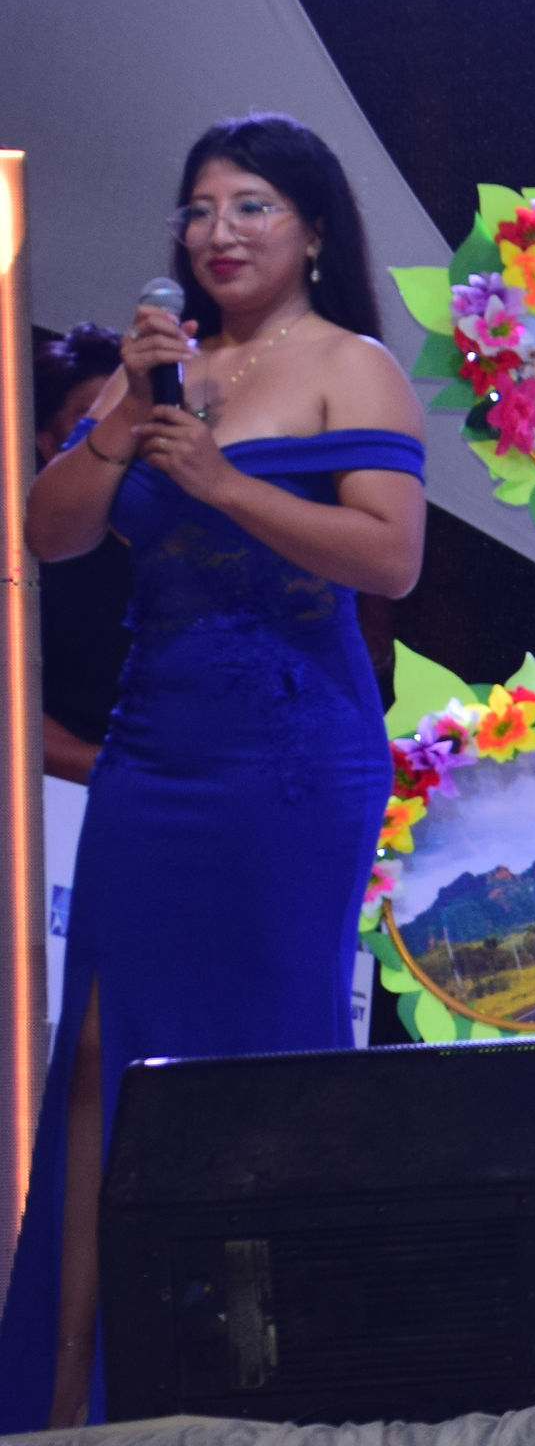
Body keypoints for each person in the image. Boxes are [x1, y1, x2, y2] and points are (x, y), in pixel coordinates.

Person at [0, 116, 428, 1428]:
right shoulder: (161, 372)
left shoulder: (352, 367)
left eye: (250, 207)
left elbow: (390, 557)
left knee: (264, 1062)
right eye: (199, 209)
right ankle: (69, 1395)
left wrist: (225, 483)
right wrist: (129, 414)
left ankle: (267, 1386)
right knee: (98, 1057)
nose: (218, 233)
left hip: (291, 758)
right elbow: (48, 535)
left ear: (312, 229)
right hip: (153, 755)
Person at [26, 323, 126, 786]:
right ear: (48, 444)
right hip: (69, 795)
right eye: (92, 418)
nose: (122, 434)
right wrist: (132, 776)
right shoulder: (27, 563)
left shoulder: (198, 539)